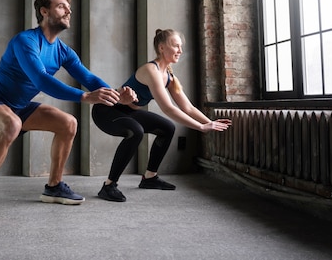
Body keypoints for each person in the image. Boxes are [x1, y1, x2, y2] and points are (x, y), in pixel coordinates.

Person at [0, 0, 137, 224]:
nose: (69, 11)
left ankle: (53, 187)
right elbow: (41, 80)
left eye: (69, 7)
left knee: (68, 123)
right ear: (44, 11)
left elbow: (91, 80)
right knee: (12, 124)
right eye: (61, 6)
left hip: (20, 106)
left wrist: (117, 96)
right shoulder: (26, 41)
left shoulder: (63, 51)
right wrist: (85, 98)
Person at [92, 28, 231, 202]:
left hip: (127, 111)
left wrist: (210, 122)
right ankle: (109, 186)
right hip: (106, 110)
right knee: (136, 131)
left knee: (167, 127)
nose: (180, 50)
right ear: (162, 48)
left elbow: (187, 107)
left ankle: (150, 177)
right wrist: (201, 127)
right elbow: (168, 108)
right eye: (175, 46)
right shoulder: (151, 70)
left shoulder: (169, 77)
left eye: (181, 46)